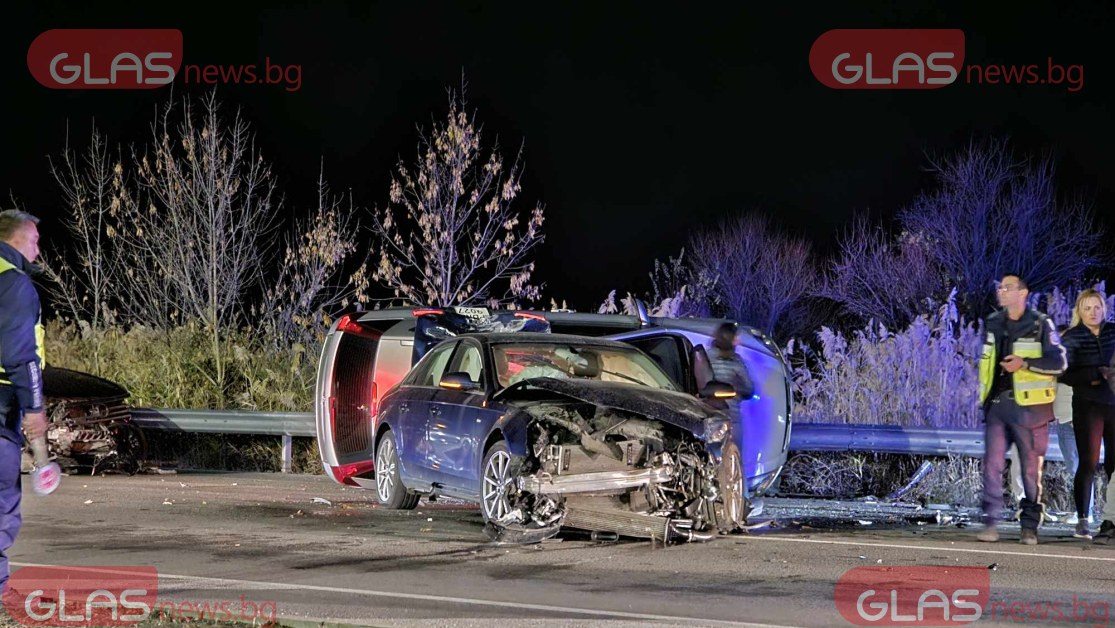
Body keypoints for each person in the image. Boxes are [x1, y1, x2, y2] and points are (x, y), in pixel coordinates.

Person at [977, 274, 1066, 545]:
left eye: (1008, 287)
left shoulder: (1040, 324)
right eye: (1000, 287)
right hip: (997, 405)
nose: (1002, 291)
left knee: (1029, 470)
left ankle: (1029, 527)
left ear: (1023, 293)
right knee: (991, 466)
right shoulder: (993, 323)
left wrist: (1024, 363)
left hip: (1030, 410)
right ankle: (990, 523)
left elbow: (1059, 362)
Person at [0, 210, 47, 593]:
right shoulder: (14, 285)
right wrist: (34, 408)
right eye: (34, 241)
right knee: (1, 502)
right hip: (1, 407)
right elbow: (20, 356)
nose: (37, 250)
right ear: (16, 240)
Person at [1059, 288, 1115, 543]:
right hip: (1087, 404)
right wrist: (1093, 376)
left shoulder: (1113, 332)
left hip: (1113, 402)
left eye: (1097, 307)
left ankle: (1110, 519)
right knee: (1089, 463)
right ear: (1079, 311)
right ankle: (1083, 519)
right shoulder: (1073, 336)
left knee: (1114, 465)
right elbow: (1063, 373)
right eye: (1088, 308)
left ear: (1105, 309)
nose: (1094, 312)